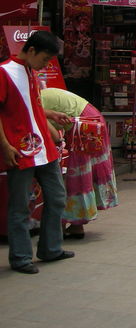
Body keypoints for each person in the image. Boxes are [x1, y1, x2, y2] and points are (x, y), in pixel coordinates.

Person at [0, 31, 74, 274]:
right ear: (31, 51)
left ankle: (50, 248)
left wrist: (51, 115)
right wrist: (5, 146)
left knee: (57, 197)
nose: (45, 64)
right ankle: (21, 258)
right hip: (20, 150)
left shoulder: (32, 72)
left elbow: (32, 105)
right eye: (44, 59)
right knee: (20, 206)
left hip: (44, 147)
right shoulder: (5, 72)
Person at [40, 87, 119, 240]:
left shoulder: (33, 104)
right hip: (90, 121)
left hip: (84, 126)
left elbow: (55, 137)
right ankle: (76, 225)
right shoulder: (37, 96)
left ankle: (65, 224)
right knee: (84, 175)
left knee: (79, 176)